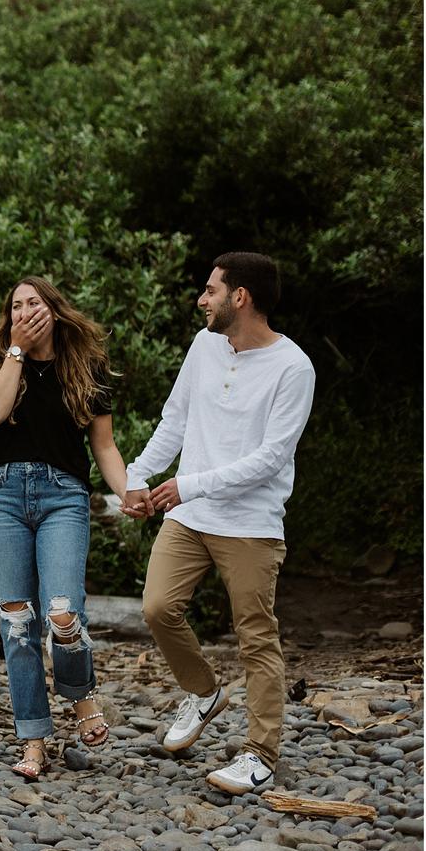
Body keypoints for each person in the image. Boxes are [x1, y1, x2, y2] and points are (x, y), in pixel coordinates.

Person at [122, 251, 315, 795]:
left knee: (256, 636)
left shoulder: (293, 367)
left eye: (210, 290)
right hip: (191, 515)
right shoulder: (206, 345)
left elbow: (271, 458)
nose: (201, 299)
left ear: (241, 297)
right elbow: (175, 420)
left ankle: (260, 754)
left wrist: (188, 484)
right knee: (158, 608)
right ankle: (204, 692)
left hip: (251, 523)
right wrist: (138, 476)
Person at [0, 275, 135, 780]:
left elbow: (104, 447)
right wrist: (17, 352)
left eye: (34, 303)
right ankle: (33, 741)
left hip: (63, 497)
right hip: (3, 497)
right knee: (18, 624)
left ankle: (81, 696)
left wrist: (128, 491)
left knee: (64, 615)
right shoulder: (5, 358)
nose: (24, 311)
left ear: (54, 309)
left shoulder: (86, 367)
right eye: (16, 305)